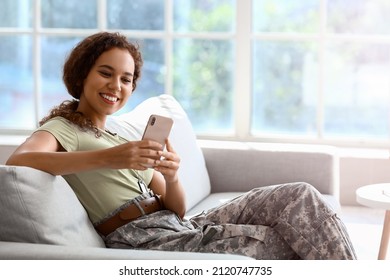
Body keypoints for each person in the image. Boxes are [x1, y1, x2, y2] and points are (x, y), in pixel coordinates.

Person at [6, 32, 357, 260]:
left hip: (176, 225)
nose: (116, 85)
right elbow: (19, 161)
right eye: (105, 73)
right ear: (82, 74)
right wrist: (110, 159)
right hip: (141, 239)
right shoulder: (63, 128)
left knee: (298, 195)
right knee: (274, 244)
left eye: (126, 79)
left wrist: (171, 176)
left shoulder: (122, 136)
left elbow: (176, 208)